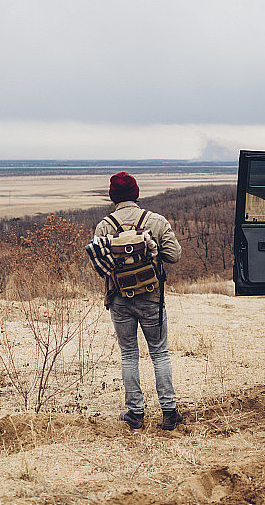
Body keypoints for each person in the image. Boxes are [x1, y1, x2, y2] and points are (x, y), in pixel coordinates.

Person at [94, 172, 183, 430]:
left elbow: (100, 266)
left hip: (119, 301)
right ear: (137, 193)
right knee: (159, 353)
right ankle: (169, 413)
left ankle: (135, 413)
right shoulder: (155, 221)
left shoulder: (104, 227)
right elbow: (174, 256)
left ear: (113, 197)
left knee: (129, 355)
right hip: (152, 298)